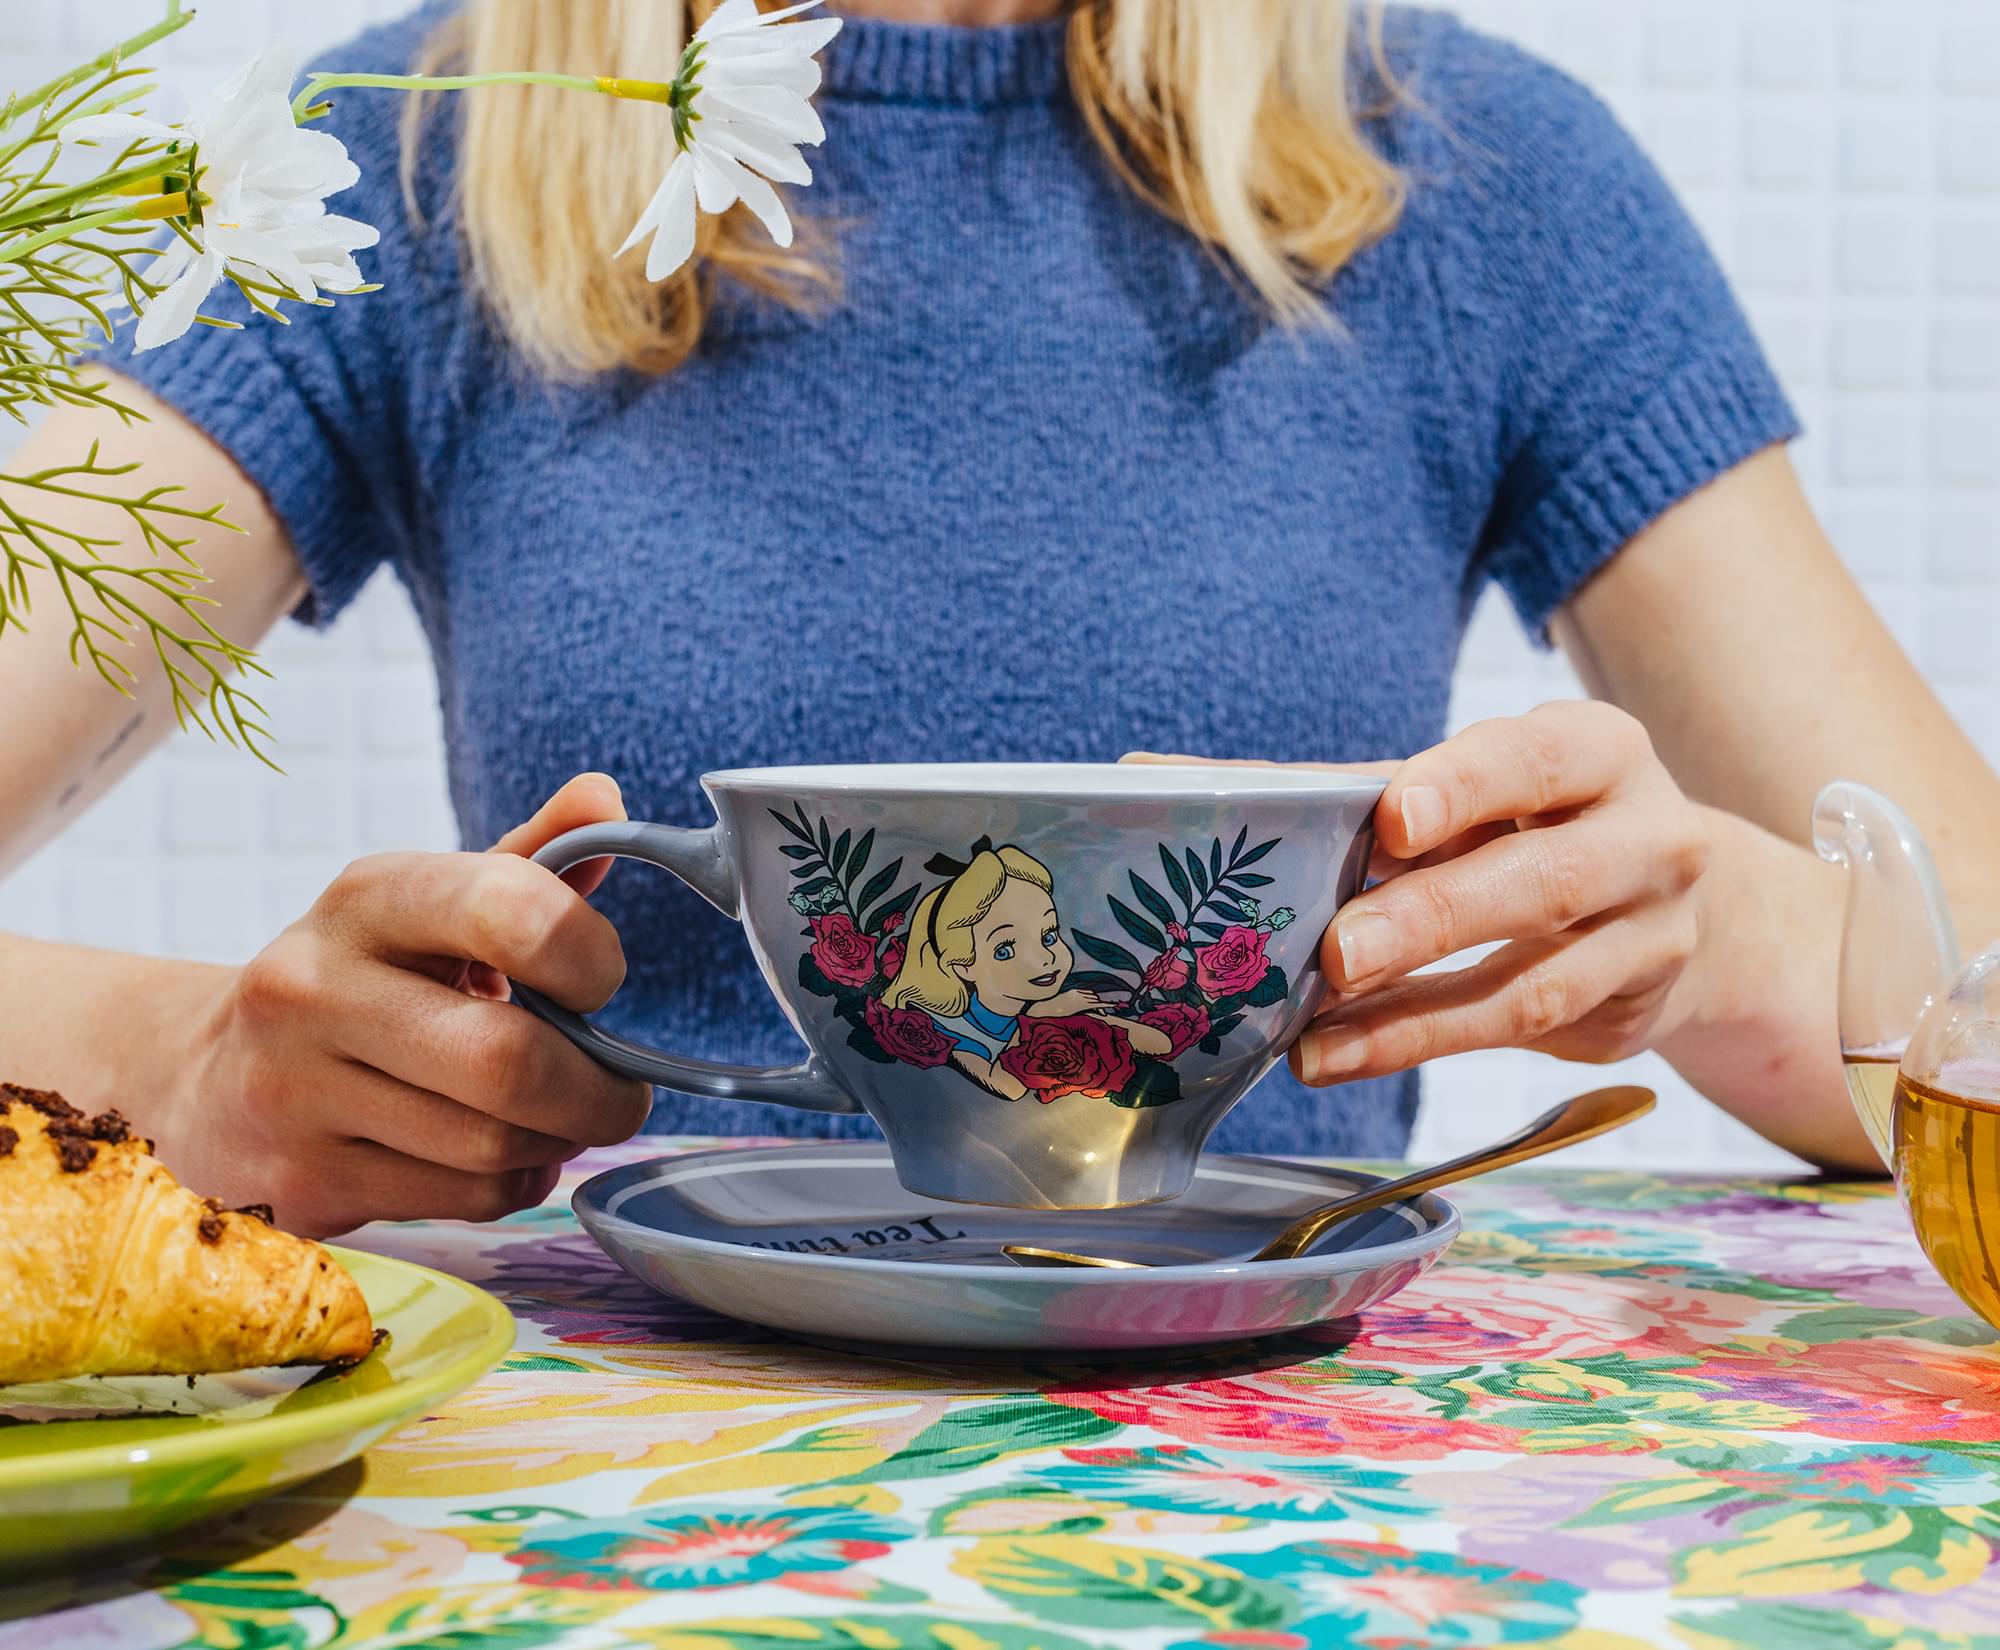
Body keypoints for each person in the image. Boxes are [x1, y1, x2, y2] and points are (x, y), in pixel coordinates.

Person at [2, 0, 1995, 1237]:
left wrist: (1717, 937)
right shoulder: (405, 156)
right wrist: (187, 1060)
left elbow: (1976, 1004)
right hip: (611, 1496)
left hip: (1271, 1481)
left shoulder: (1485, 171)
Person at [882, 841, 1172, 1098]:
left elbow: (1161, 1044)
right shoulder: (949, 1030)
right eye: (1005, 950)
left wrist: (1097, 1021)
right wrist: (1036, 1019)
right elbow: (1009, 1088)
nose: (1044, 958)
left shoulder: (1056, 1006)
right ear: (962, 967)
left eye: (1048, 936)